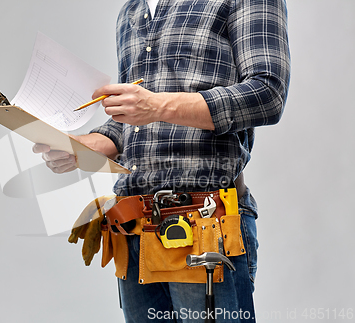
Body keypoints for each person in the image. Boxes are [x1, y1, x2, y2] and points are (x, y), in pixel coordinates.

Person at [34, 0, 290, 321]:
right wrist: (86, 145)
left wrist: (157, 106)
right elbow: (134, 116)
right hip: (134, 230)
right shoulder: (132, 11)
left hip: (206, 226)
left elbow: (268, 93)